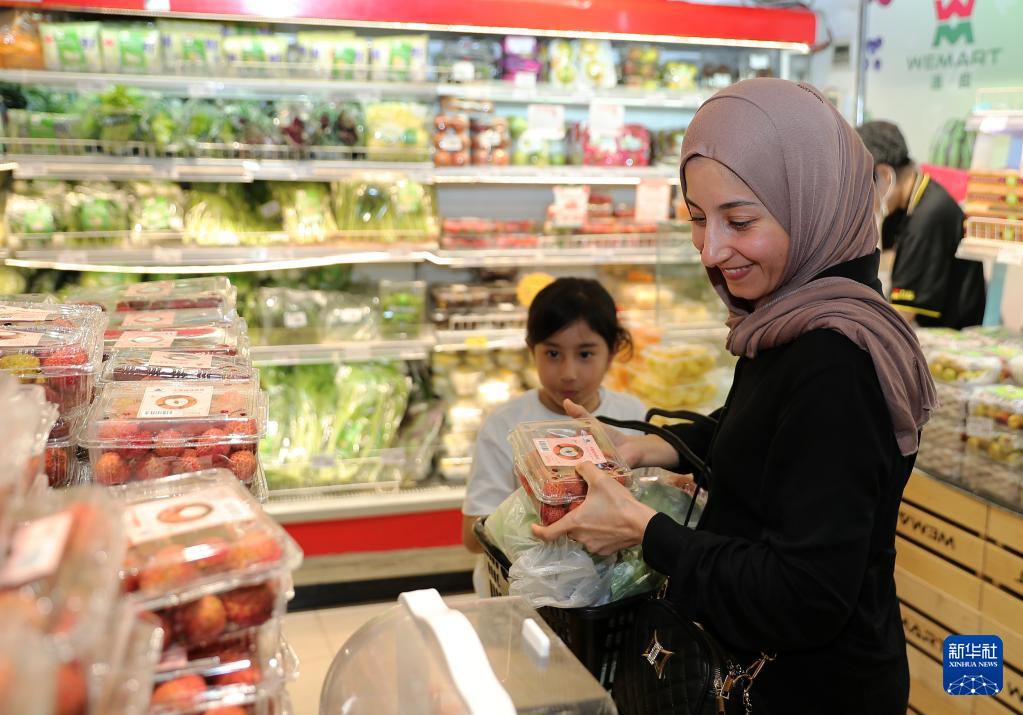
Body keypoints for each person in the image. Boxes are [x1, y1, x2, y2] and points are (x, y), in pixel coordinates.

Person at [533, 79, 936, 715]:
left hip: (811, 692)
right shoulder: (792, 312)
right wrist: (652, 447)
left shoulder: (837, 361)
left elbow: (804, 596)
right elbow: (768, 433)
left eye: (740, 221)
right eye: (698, 218)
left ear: (812, 204)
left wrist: (645, 531)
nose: (713, 251)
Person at [461, 278, 646, 591]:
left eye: (585, 354)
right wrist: (539, 501)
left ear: (613, 350)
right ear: (531, 349)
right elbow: (472, 536)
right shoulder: (503, 425)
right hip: (521, 590)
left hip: (606, 592)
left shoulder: (631, 414)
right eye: (552, 354)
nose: (568, 373)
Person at [857, 120, 986, 328]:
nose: (863, 198)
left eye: (862, 186)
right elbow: (892, 258)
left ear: (884, 175)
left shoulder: (929, 216)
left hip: (952, 333)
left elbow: (903, 315)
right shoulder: (906, 205)